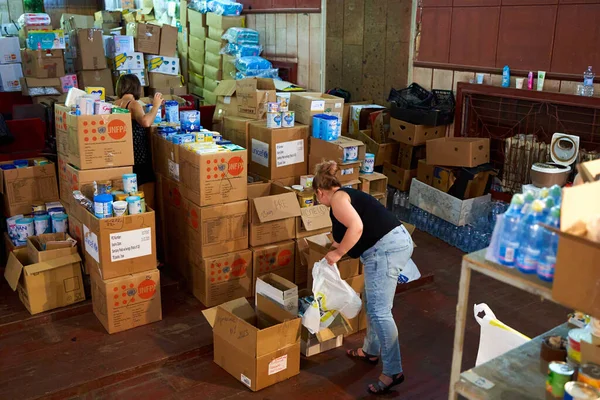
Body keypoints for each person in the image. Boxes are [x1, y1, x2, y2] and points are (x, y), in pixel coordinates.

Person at [312, 160, 414, 395]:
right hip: (390, 245)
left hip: (386, 250)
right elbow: (347, 232)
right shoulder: (345, 197)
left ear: (320, 192)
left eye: (317, 198)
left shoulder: (337, 200)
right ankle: (370, 351)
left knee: (380, 311)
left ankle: (393, 371)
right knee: (372, 300)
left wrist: (337, 253)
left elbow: (356, 227)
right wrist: (333, 251)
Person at [114, 74, 162, 209]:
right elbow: (146, 122)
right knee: (146, 197)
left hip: (125, 155)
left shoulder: (116, 103)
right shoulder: (133, 104)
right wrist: (155, 106)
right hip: (139, 156)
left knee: (130, 194)